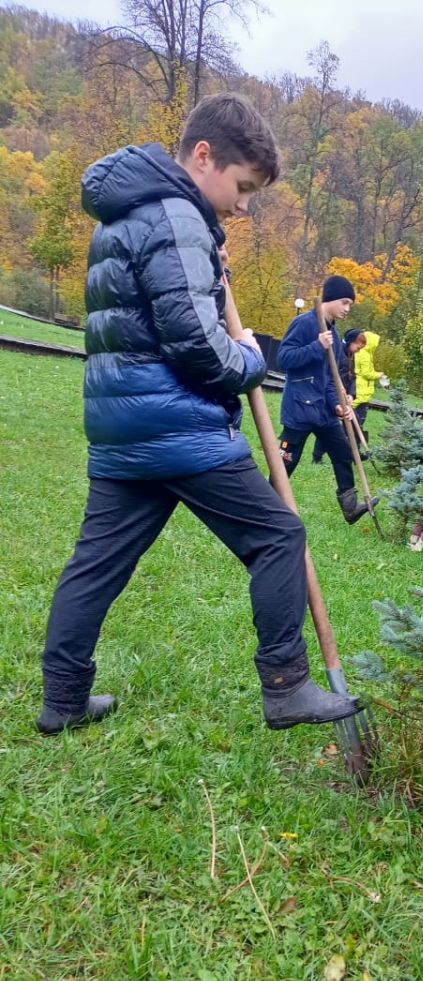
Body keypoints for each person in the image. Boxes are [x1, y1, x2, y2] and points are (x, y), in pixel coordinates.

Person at [36, 93, 361, 736]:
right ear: (204, 156)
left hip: (121, 423)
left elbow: (147, 314)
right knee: (278, 536)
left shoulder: (126, 209)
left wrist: (209, 271)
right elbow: (194, 344)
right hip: (177, 425)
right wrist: (249, 361)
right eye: (243, 188)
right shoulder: (177, 214)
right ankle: (287, 687)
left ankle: (63, 700)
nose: (243, 206)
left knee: (96, 565)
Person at [276, 276, 375, 524]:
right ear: (330, 298)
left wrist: (337, 404)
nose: (347, 309)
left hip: (323, 412)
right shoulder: (304, 324)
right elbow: (283, 359)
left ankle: (350, 507)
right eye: (345, 302)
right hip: (300, 409)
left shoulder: (335, 335)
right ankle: (267, 507)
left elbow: (330, 378)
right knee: (286, 462)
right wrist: (316, 346)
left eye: (350, 304)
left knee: (343, 452)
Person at [311, 327, 365, 465]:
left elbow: (352, 377)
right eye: (358, 346)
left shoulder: (351, 355)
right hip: (332, 396)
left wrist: (351, 394)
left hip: (344, 396)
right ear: (351, 341)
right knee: (329, 425)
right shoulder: (337, 353)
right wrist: (337, 397)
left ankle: (355, 454)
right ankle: (317, 456)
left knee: (354, 421)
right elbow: (331, 376)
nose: (359, 349)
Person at [352, 329, 382, 430]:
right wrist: (379, 375)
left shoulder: (361, 352)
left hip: (359, 386)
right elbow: (366, 373)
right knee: (358, 413)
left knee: (355, 408)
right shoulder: (365, 355)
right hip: (362, 387)